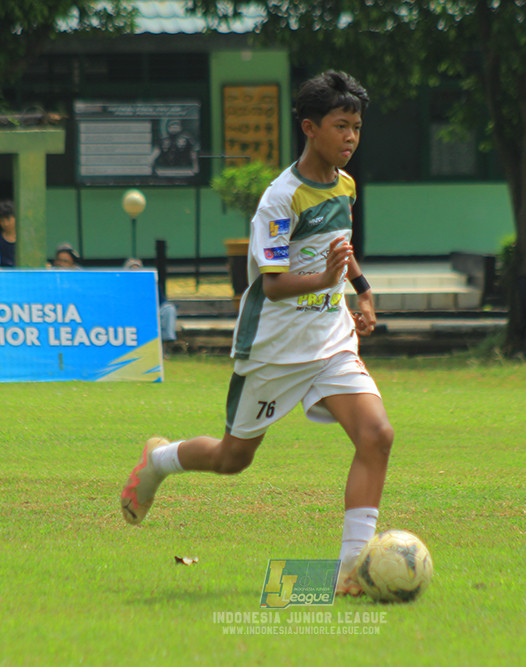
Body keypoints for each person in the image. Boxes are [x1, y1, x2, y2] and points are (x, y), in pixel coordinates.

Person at [120, 70, 390, 597]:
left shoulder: (346, 185)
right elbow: (270, 284)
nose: (352, 137)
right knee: (232, 459)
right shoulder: (279, 199)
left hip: (331, 341)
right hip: (275, 348)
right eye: (341, 126)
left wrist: (360, 289)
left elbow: (340, 246)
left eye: (357, 127)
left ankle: (352, 570)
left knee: (377, 435)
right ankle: (156, 462)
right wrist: (328, 279)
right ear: (310, 128)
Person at [124, 258, 179, 352]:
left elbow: (162, 302)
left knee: (169, 309)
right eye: (132, 269)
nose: (135, 271)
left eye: (137, 269)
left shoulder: (150, 284)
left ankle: (164, 347)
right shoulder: (122, 285)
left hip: (151, 312)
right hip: (130, 313)